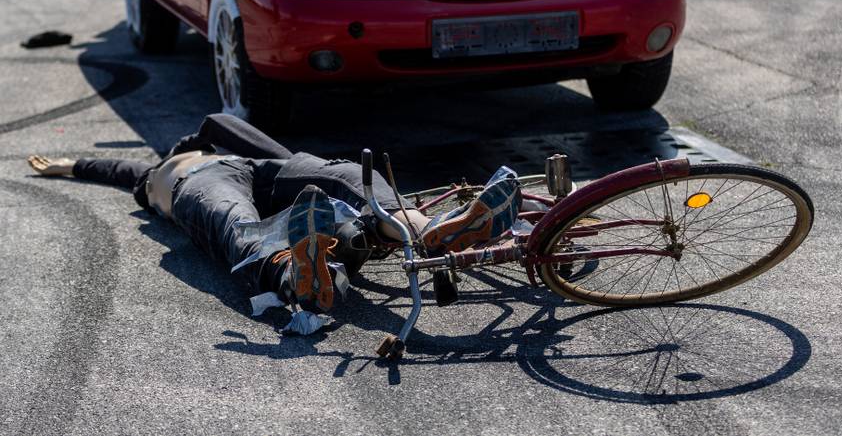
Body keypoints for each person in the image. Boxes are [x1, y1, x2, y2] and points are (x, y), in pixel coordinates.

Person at [27, 114, 521, 329]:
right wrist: (72, 166)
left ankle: (424, 229)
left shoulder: (197, 148)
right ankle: (297, 272)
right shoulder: (152, 176)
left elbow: (221, 123)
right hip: (204, 186)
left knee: (347, 175)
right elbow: (117, 169)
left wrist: (291, 164)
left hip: (258, 171)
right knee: (235, 222)